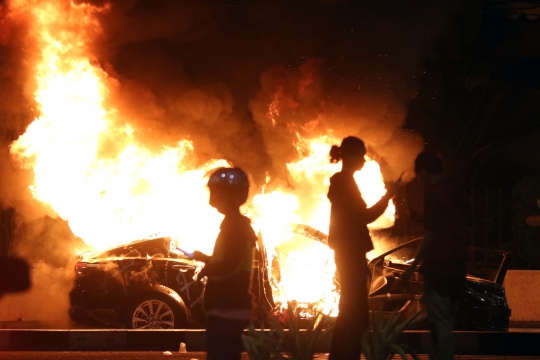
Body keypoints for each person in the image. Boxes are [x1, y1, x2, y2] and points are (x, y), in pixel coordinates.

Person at [327, 136, 399, 360]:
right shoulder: (343, 182)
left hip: (349, 251)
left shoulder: (344, 181)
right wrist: (388, 195)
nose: (364, 160)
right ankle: (344, 354)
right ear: (349, 156)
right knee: (352, 310)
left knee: (352, 309)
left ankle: (343, 354)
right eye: (361, 155)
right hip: (349, 252)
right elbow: (364, 215)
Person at [400, 151, 469, 360]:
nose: (420, 182)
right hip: (458, 266)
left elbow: (432, 233)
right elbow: (452, 223)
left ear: (424, 173)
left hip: (438, 268)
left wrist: (413, 266)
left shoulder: (433, 194)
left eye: (419, 177)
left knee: (440, 324)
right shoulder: (457, 191)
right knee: (447, 320)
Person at [190, 167, 257, 360]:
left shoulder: (234, 227)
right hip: (228, 309)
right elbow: (229, 259)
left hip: (227, 309)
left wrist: (208, 269)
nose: (212, 198)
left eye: (216, 192)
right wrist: (205, 259)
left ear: (229, 194)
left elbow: (229, 265)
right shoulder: (235, 225)